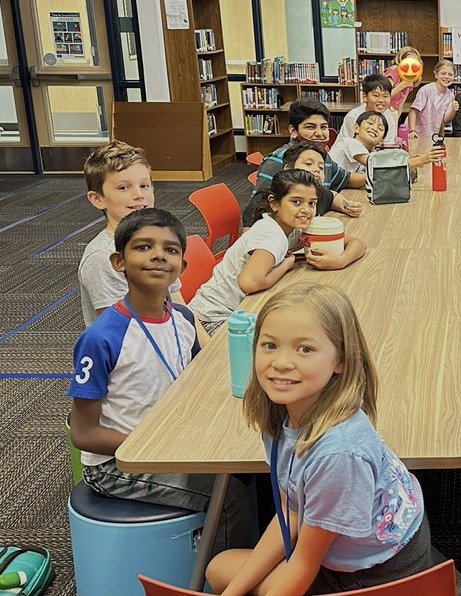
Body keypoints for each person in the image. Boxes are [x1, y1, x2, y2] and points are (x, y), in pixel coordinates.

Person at [205, 283, 461, 595]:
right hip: (343, 550)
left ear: (341, 361)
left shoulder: (339, 455)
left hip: (377, 574)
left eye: (304, 349)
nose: (280, 362)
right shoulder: (282, 411)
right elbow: (293, 511)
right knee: (220, 569)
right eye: (269, 345)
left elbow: (304, 564)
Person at [69, 208, 254, 549]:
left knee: (256, 475)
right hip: (118, 465)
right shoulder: (102, 337)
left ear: (181, 268)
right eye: (142, 247)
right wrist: (155, 444)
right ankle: (228, 580)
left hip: (170, 442)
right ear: (118, 261)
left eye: (170, 249)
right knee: (231, 499)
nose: (158, 255)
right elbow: (84, 433)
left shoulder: (183, 319)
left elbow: (201, 381)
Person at [189, 170, 366, 335]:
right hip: (212, 319)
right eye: (296, 202)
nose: (306, 209)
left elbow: (357, 243)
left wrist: (340, 260)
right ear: (274, 204)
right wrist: (286, 265)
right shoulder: (272, 236)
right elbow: (250, 282)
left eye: (311, 203)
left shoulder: (295, 225)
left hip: (232, 311)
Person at [79, 141, 183, 327]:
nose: (138, 195)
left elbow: (179, 306)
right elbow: (124, 332)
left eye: (144, 186)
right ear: (98, 199)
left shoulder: (160, 239)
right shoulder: (103, 257)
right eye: (123, 188)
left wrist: (207, 351)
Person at [253, 97, 362, 215]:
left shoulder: (321, 156)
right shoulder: (278, 160)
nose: (319, 133)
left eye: (324, 127)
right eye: (310, 127)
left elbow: (346, 179)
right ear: (293, 131)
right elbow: (256, 208)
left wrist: (378, 176)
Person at [244, 142, 362, 228]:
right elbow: (247, 247)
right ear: (288, 169)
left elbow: (333, 197)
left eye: (321, 167)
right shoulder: (263, 200)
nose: (316, 169)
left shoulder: (316, 194)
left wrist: (347, 206)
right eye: (308, 164)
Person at [331, 110, 442, 175]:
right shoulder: (350, 142)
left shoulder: (370, 152)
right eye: (370, 123)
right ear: (356, 128)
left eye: (380, 128)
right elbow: (376, 165)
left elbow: (385, 162)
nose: (374, 128)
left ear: (381, 140)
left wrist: (411, 160)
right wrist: (420, 161)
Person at [407, 60, 459, 150]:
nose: (447, 77)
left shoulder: (450, 95)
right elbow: (413, 112)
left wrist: (454, 110)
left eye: (450, 74)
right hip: (415, 133)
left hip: (431, 136)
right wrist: (412, 130)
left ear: (454, 77)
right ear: (436, 75)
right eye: (443, 73)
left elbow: (446, 119)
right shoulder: (426, 90)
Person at [340, 74, 399, 147]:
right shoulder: (353, 117)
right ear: (365, 97)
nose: (381, 100)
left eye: (385, 96)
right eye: (376, 95)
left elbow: (388, 145)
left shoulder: (389, 117)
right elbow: (348, 146)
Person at [383, 46, 423, 114]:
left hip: (393, 112)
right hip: (382, 111)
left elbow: (401, 104)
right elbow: (383, 95)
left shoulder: (411, 77)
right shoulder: (394, 70)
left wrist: (396, 120)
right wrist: (403, 84)